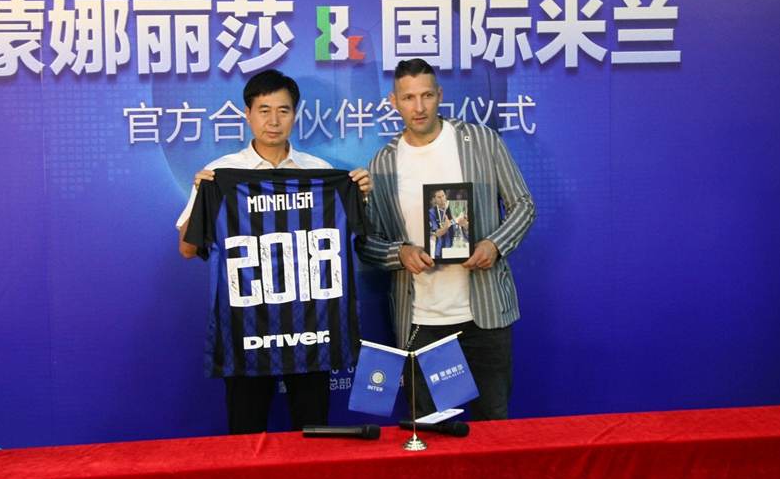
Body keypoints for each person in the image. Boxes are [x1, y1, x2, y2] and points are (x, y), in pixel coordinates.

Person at [177, 69, 372, 435]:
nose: (273, 120)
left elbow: (357, 242)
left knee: (313, 433)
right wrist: (203, 198)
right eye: (264, 110)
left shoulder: (321, 173)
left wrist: (358, 196)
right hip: (246, 329)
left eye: (283, 110)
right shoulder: (220, 175)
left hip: (312, 328)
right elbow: (188, 248)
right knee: (246, 435)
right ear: (247, 114)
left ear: (295, 115)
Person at [358, 58, 535, 420]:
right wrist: (399, 253)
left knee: (492, 426)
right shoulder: (383, 164)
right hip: (423, 321)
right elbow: (367, 242)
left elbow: (523, 205)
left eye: (426, 95)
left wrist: (495, 244)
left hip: (485, 315)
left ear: (439, 95)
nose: (419, 107)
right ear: (393, 102)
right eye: (408, 98)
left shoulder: (480, 141)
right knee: (431, 430)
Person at [428, 189, 468, 258]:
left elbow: (467, 226)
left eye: (443, 195)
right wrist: (446, 227)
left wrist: (466, 224)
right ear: (434, 200)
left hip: (459, 245)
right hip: (441, 249)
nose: (442, 198)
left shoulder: (456, 206)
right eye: (439, 197)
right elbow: (437, 233)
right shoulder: (432, 212)